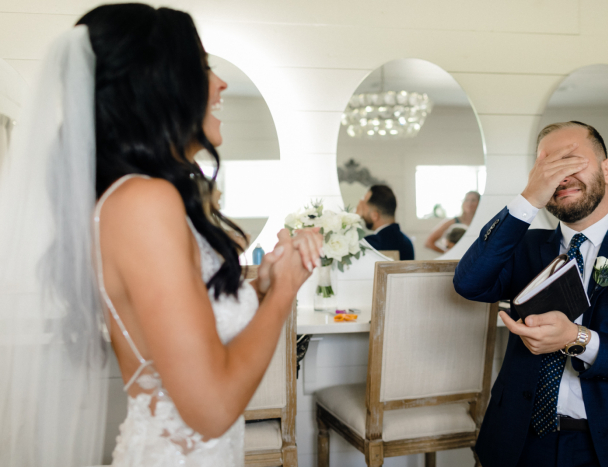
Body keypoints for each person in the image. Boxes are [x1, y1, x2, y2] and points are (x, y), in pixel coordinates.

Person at [0, 4, 323, 467]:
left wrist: (263, 283)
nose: (221, 84)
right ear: (162, 83)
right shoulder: (143, 203)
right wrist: (285, 292)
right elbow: (211, 409)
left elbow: (181, 325)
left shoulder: (138, 198)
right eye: (205, 68)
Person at [453, 121, 608, 467]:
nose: (560, 176)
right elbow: (469, 283)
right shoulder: (525, 247)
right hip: (519, 444)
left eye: (570, 161)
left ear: (607, 169)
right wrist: (528, 199)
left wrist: (577, 338)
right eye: (547, 166)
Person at [356, 185, 415, 260]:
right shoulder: (407, 242)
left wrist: (355, 217)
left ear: (374, 216)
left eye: (363, 206)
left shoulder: (371, 243)